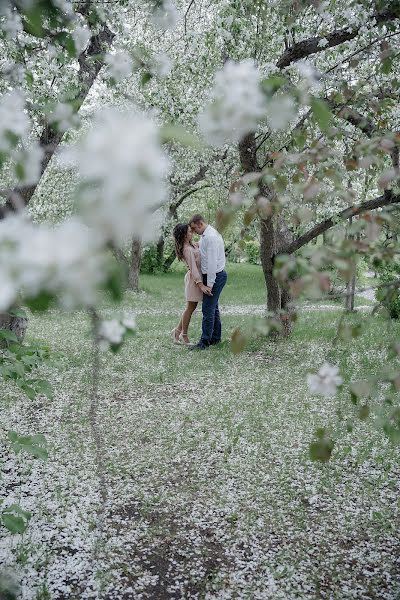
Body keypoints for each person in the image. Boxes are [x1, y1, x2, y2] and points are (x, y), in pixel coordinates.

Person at [189, 214, 227, 350]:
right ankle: (215, 338)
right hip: (215, 275)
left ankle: (204, 342)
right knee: (213, 308)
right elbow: (204, 247)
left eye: (194, 229)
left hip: (215, 276)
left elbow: (211, 264)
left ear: (200, 224)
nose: (194, 232)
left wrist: (209, 285)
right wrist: (196, 244)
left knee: (207, 309)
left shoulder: (210, 237)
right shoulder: (207, 235)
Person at [171, 223, 211, 345]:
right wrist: (201, 285)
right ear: (183, 235)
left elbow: (202, 243)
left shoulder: (192, 244)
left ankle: (177, 331)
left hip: (196, 278)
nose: (191, 233)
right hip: (194, 279)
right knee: (190, 307)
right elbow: (193, 269)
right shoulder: (187, 249)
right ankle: (184, 335)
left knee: (191, 307)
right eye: (189, 232)